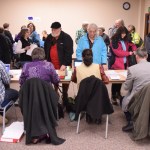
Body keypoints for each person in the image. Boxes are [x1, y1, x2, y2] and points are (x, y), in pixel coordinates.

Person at [44, 21, 73, 106]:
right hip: (52, 64)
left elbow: (69, 52)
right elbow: (46, 49)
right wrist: (46, 60)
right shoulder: (49, 37)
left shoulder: (67, 37)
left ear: (60, 29)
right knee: (54, 80)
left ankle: (65, 95)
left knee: (65, 81)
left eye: (56, 29)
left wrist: (64, 64)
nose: (54, 31)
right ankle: (55, 95)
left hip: (64, 64)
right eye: (53, 29)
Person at [121, 48, 150, 132]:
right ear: (146, 56)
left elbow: (127, 87)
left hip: (138, 98)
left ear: (136, 56)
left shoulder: (132, 69)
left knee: (123, 98)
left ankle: (131, 122)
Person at [110, 26, 137, 105]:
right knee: (115, 81)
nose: (123, 35)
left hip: (125, 63)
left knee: (121, 80)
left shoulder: (126, 40)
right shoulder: (114, 41)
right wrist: (129, 53)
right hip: (116, 63)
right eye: (122, 34)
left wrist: (134, 50)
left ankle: (118, 94)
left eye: (125, 34)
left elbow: (133, 45)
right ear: (118, 33)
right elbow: (118, 52)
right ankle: (113, 96)